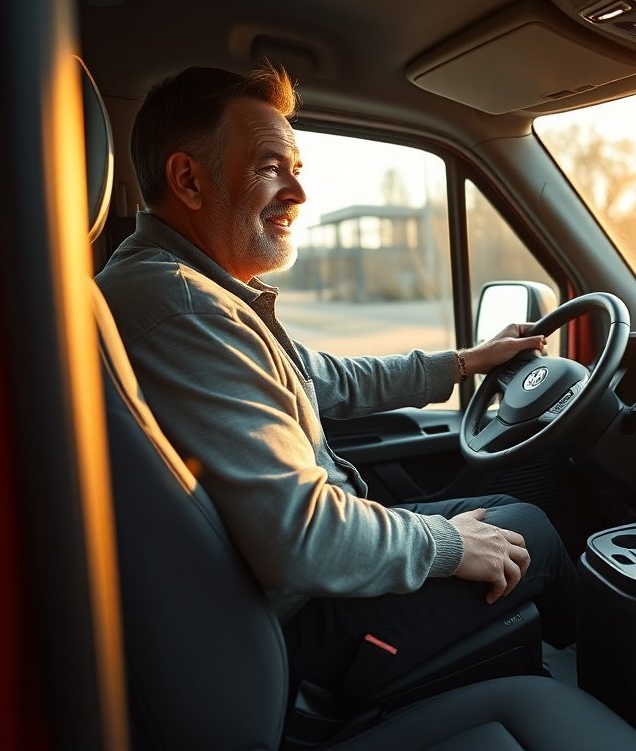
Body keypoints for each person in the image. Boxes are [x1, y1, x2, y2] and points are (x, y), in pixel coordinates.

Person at [95, 62, 576, 705]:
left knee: (512, 520)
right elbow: (300, 537)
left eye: (297, 169)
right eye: (271, 166)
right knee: (532, 532)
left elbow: (321, 378)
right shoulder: (181, 306)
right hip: (292, 627)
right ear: (188, 179)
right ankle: (603, 685)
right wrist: (448, 543)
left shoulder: (180, 287)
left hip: (282, 593)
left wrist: (465, 363)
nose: (297, 192)